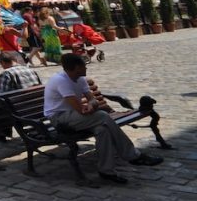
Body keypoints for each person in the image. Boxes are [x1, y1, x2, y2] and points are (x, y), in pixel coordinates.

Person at [44, 53, 162, 183]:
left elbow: (92, 100)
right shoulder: (61, 81)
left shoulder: (80, 78)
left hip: (75, 116)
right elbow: (81, 110)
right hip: (60, 119)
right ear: (77, 67)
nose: (87, 68)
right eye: (84, 65)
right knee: (102, 116)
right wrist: (90, 107)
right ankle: (133, 155)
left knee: (102, 129)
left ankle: (106, 171)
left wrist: (91, 105)